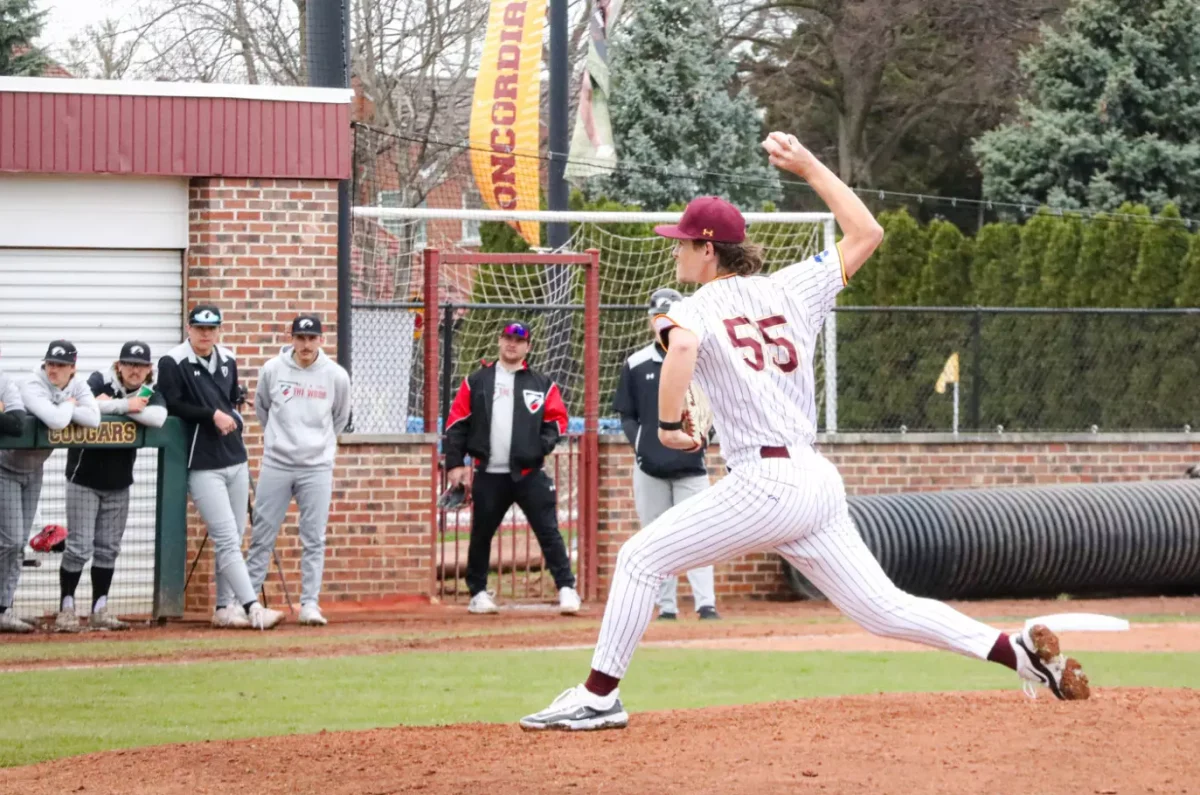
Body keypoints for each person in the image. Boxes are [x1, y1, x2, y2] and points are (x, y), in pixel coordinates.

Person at [520, 132, 1090, 732]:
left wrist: (665, 425)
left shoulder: (694, 308)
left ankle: (598, 697)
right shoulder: (794, 285)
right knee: (883, 608)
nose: (675, 253)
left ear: (709, 249)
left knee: (639, 557)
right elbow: (868, 232)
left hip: (764, 481)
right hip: (814, 481)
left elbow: (682, 345)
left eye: (683, 243)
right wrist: (808, 165)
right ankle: (1017, 654)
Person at [157, 305, 283, 630]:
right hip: (201, 462)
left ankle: (224, 608)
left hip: (235, 458)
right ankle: (253, 606)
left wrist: (232, 410)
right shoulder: (173, 361)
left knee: (235, 537)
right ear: (189, 328)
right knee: (226, 537)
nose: (205, 334)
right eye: (199, 327)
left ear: (219, 330)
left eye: (211, 329)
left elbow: (230, 399)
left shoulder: (227, 359)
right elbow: (173, 405)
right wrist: (210, 414)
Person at [443, 320, 581, 615]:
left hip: (529, 474)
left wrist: (538, 448)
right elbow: (456, 424)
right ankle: (478, 593)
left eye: (518, 341)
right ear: (499, 341)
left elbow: (557, 421)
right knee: (481, 535)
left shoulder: (542, 383)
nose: (512, 344)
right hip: (488, 474)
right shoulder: (476, 381)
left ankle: (566, 588)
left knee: (549, 532)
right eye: (507, 338)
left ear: (527, 347)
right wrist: (455, 464)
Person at [614, 288, 719, 621]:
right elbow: (627, 414)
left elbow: (715, 409)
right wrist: (641, 444)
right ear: (651, 322)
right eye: (659, 318)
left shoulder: (700, 360)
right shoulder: (636, 363)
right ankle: (666, 607)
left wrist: (703, 437)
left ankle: (706, 604)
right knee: (654, 537)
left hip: (691, 466)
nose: (665, 325)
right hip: (649, 467)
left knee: (700, 534)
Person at [55, 341, 168, 633]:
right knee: (79, 547)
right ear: (119, 365)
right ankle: (66, 609)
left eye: (141, 365)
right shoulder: (97, 379)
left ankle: (99, 610)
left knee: (108, 549)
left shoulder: (150, 391)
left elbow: (157, 418)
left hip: (120, 482)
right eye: (129, 364)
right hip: (84, 478)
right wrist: (126, 406)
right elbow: (81, 404)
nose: (135, 370)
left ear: (148, 369)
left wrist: (116, 407)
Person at [246, 315, 351, 627]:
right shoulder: (272, 370)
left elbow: (340, 417)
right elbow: (262, 408)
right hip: (277, 463)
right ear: (291, 337)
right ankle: (249, 601)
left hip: (317, 467)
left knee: (314, 537)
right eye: (300, 338)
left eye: (312, 338)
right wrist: (279, 440)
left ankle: (309, 604)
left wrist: (318, 446)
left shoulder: (336, 376)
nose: (306, 345)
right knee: (262, 534)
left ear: (321, 339)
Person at [0, 341, 100, 633]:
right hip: (5, 468)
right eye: (50, 364)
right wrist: (68, 405)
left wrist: (65, 405)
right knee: (12, 540)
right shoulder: (32, 383)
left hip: (34, 470)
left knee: (16, 545)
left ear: (72, 368)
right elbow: (56, 421)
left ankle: (5, 606)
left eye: (60, 365)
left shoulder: (78, 384)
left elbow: (93, 419)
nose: (53, 370)